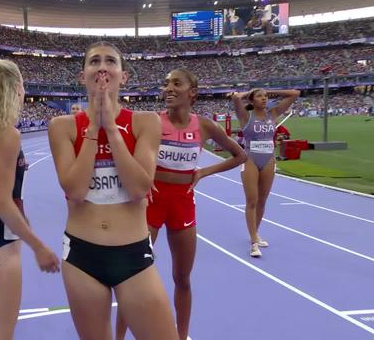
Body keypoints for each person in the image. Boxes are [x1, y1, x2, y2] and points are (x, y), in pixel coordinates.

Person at [48, 42, 178, 340]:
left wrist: (113, 131)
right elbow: (76, 191)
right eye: (94, 61)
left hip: (133, 255)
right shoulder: (62, 127)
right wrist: (94, 129)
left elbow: (138, 188)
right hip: (83, 257)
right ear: (83, 76)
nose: (102, 67)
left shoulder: (145, 122)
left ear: (123, 76)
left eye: (110, 62)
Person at [116, 69, 246, 340]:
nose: (168, 89)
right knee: (132, 277)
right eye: (165, 84)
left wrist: (202, 172)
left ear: (192, 93)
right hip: (150, 203)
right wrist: (142, 175)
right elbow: (123, 153)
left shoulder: (205, 126)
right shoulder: (151, 121)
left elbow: (240, 155)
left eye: (176, 83)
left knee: (182, 278)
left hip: (183, 204)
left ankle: (182, 335)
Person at [0, 54, 60, 340]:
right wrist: (39, 246)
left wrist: (13, 207)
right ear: (16, 88)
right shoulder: (8, 135)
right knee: (2, 335)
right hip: (0, 244)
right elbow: (2, 202)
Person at [230, 88, 300, 257]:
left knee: (262, 201)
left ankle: (255, 233)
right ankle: (254, 243)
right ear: (251, 101)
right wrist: (249, 93)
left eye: (266, 96)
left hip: (268, 159)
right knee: (252, 201)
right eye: (259, 96)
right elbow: (236, 98)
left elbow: (295, 93)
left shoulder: (273, 114)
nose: (264, 98)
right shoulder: (246, 116)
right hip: (250, 159)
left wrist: (268, 90)